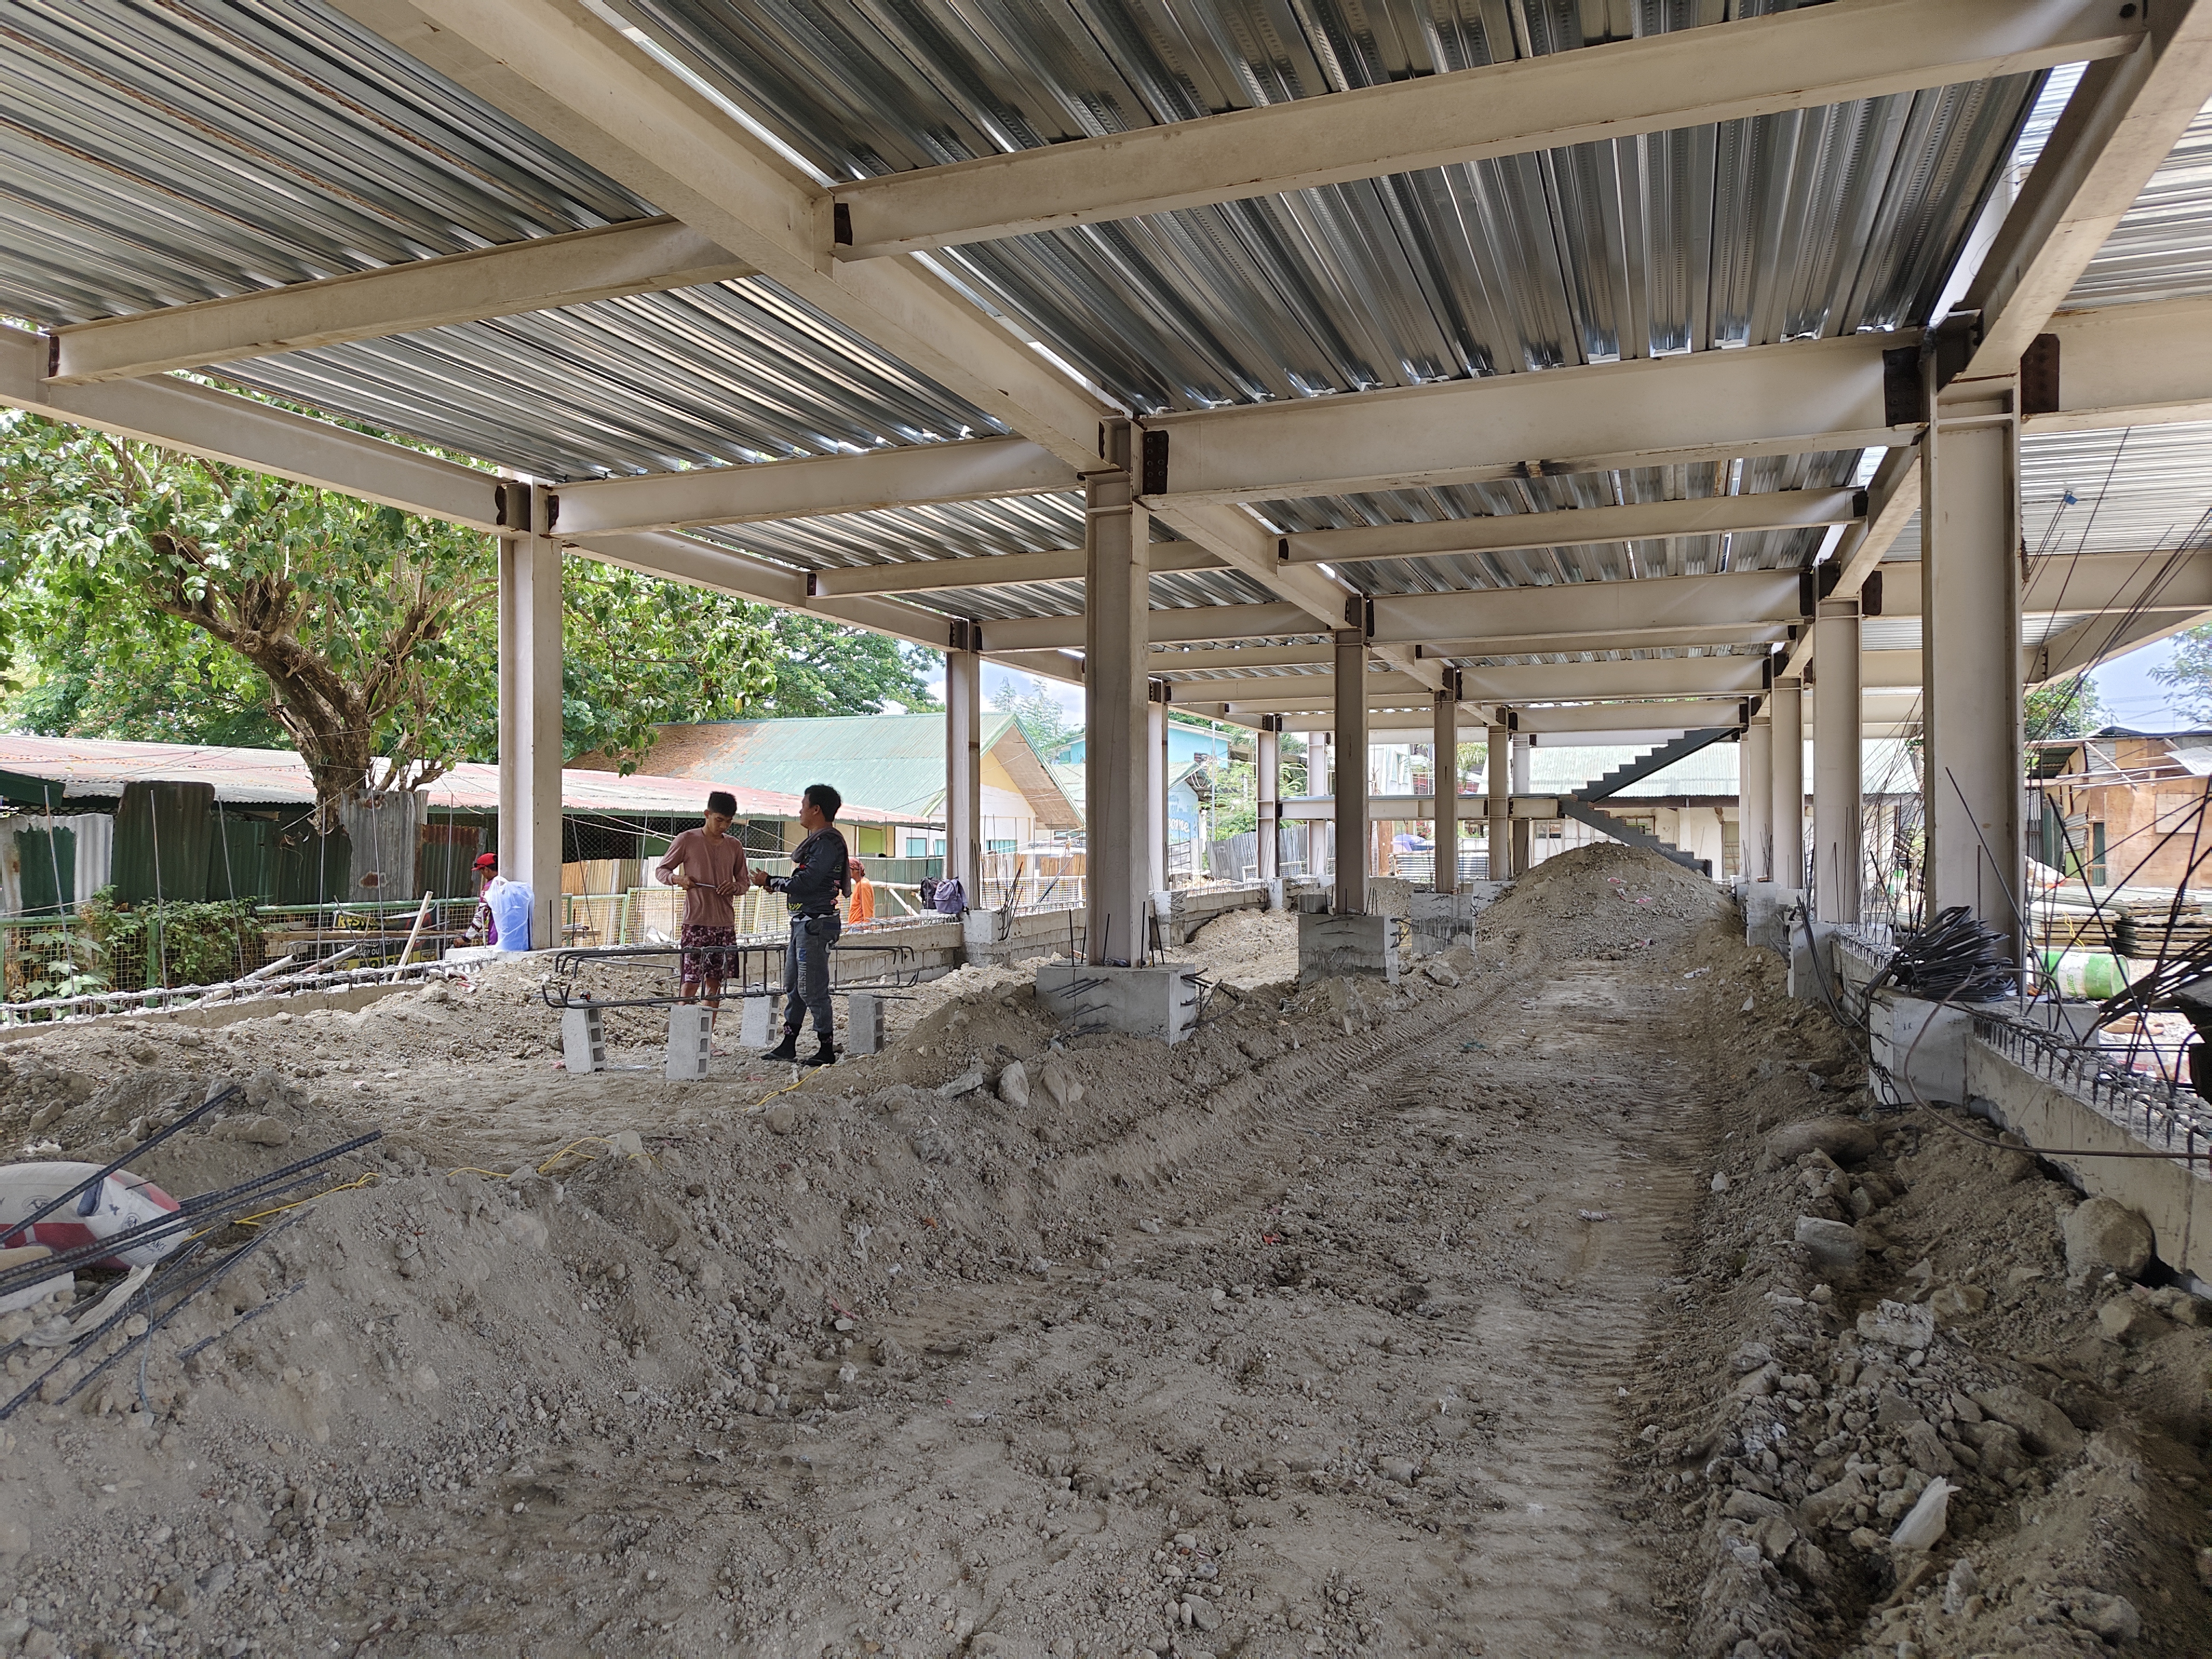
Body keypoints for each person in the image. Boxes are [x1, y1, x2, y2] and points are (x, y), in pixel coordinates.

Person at [754, 783, 849, 1066]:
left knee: (811, 988)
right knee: (795, 986)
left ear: (816, 809)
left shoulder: (826, 843)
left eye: (803, 805)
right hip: (805, 924)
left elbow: (806, 883)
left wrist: (771, 881)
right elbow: (805, 882)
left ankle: (825, 1049)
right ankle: (789, 1044)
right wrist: (780, 884)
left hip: (815, 925)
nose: (800, 810)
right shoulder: (823, 842)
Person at [655, 791, 749, 1013]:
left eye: (728, 821)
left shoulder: (734, 846)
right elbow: (662, 871)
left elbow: (744, 883)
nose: (724, 826)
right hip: (696, 922)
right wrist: (679, 879)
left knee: (715, 985)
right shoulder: (687, 839)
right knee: (690, 982)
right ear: (707, 814)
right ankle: (684, 1040)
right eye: (719, 820)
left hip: (725, 924)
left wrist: (734, 887)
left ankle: (707, 1040)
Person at [464, 851, 500, 946]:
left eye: (482, 871)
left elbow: (481, 916)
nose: (482, 874)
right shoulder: (508, 882)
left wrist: (466, 938)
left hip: (497, 937)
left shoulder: (489, 888)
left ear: (487, 870)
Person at [847, 859, 876, 923]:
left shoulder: (863, 885)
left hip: (859, 927)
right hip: (856, 926)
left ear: (856, 870)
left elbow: (867, 909)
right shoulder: (859, 884)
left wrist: (866, 927)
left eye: (848, 869)